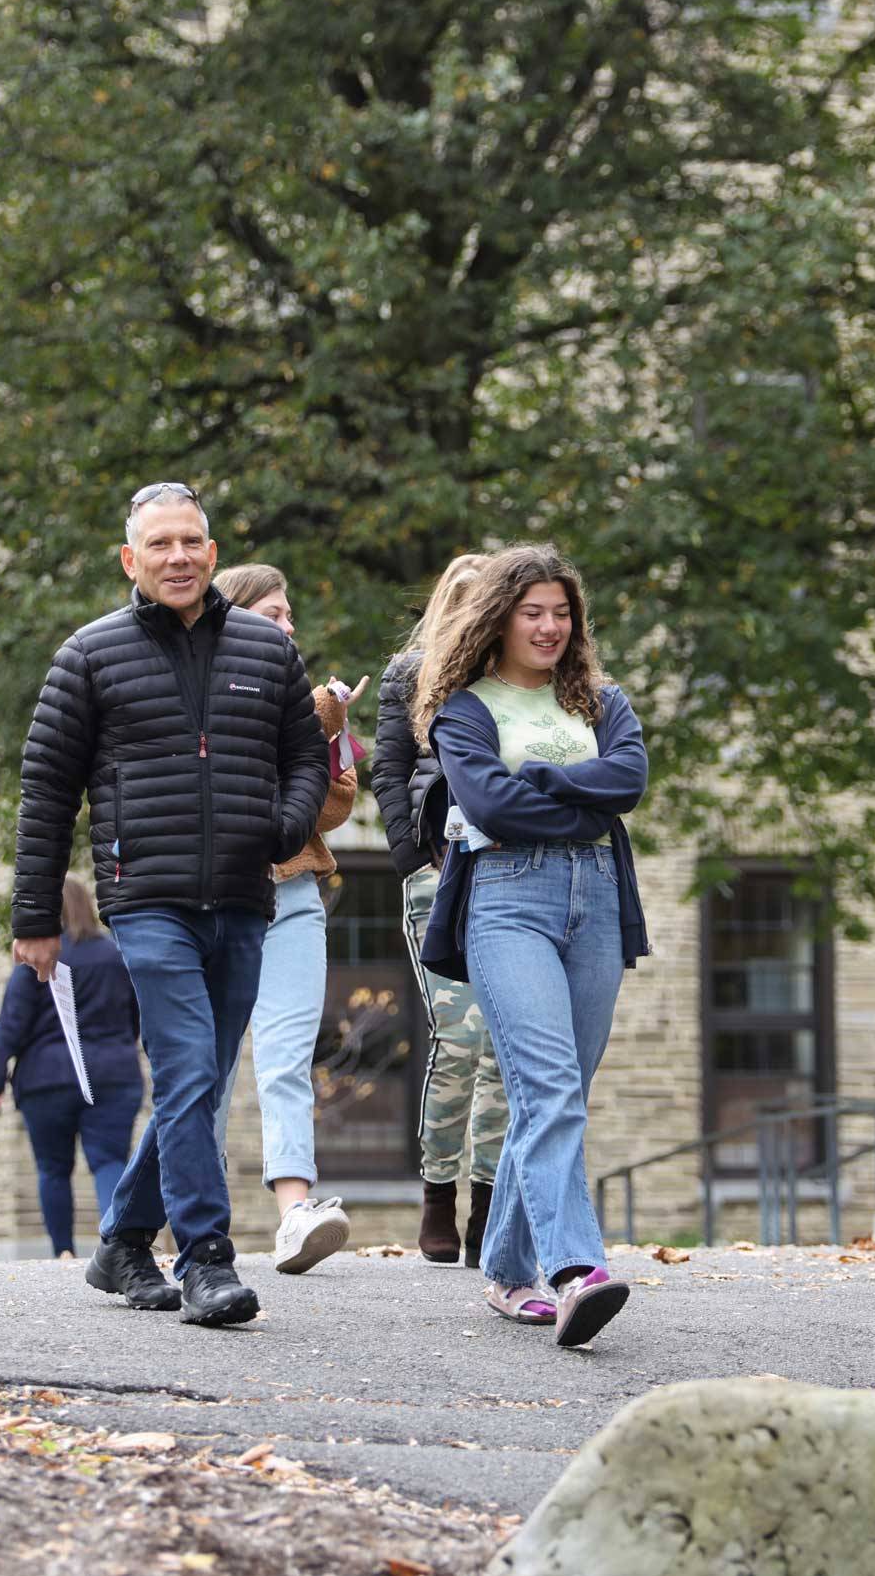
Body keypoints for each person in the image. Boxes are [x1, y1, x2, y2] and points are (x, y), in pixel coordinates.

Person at [11, 481, 328, 1328]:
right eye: (160, 545)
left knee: (204, 1076)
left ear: (213, 554)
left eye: (191, 542)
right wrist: (35, 918)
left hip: (242, 893)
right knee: (189, 1069)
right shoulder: (90, 654)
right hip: (143, 894)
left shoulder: (268, 652)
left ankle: (120, 1244)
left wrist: (284, 824)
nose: (178, 558)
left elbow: (306, 756)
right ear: (131, 559)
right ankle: (205, 1260)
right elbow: (46, 791)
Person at [414, 544, 650, 1348]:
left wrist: (541, 788)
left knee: (558, 1094)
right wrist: (576, 799)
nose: (550, 626)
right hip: (507, 902)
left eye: (562, 613)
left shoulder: (601, 699)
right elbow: (488, 804)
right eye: (532, 612)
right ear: (500, 618)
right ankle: (577, 1269)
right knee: (548, 1086)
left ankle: (507, 1272)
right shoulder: (463, 709)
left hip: (597, 902)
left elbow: (629, 781)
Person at [208, 562, 363, 1276]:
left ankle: (295, 1213)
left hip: (293, 895)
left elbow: (333, 809)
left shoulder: (311, 706)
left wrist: (329, 736)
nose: (290, 627)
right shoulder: (205, 690)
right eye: (274, 614)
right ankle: (195, 1216)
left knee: (287, 1056)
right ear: (235, 619)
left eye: (291, 613)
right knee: (200, 1068)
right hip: (212, 900)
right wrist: (316, 718)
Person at [373, 553, 512, 1267]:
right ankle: (437, 1195)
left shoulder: (515, 680)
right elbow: (390, 770)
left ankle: (487, 1204)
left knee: (500, 1048)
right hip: (438, 873)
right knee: (458, 1039)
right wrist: (410, 856)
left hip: (507, 876)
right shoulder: (409, 673)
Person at [0, 878, 144, 1258]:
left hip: (46, 1077)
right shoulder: (116, 955)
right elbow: (135, 1015)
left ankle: (64, 1252)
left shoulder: (38, 957)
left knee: (53, 1168)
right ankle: (116, 1245)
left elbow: (12, 1022)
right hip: (112, 1073)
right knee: (109, 1161)